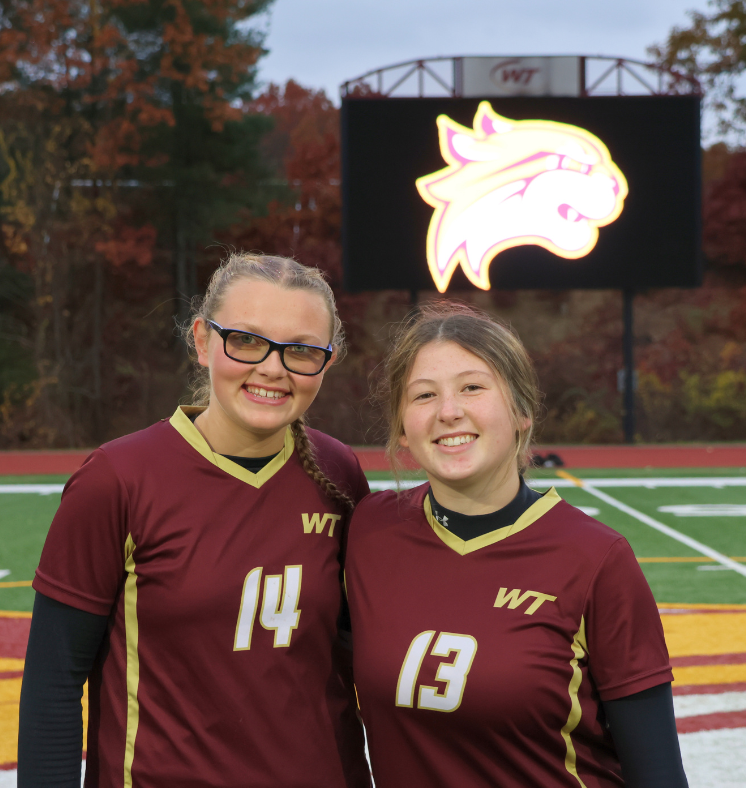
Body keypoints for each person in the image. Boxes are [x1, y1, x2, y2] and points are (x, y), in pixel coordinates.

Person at [18, 254, 371, 787]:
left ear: (328, 360)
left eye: (300, 350)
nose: (272, 368)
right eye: (246, 341)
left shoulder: (339, 472)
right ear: (203, 340)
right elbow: (53, 683)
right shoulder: (118, 478)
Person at [345, 303, 688, 788]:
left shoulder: (595, 560)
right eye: (423, 395)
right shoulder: (367, 533)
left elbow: (657, 775)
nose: (448, 412)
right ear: (402, 427)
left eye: (472, 387)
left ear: (522, 411)